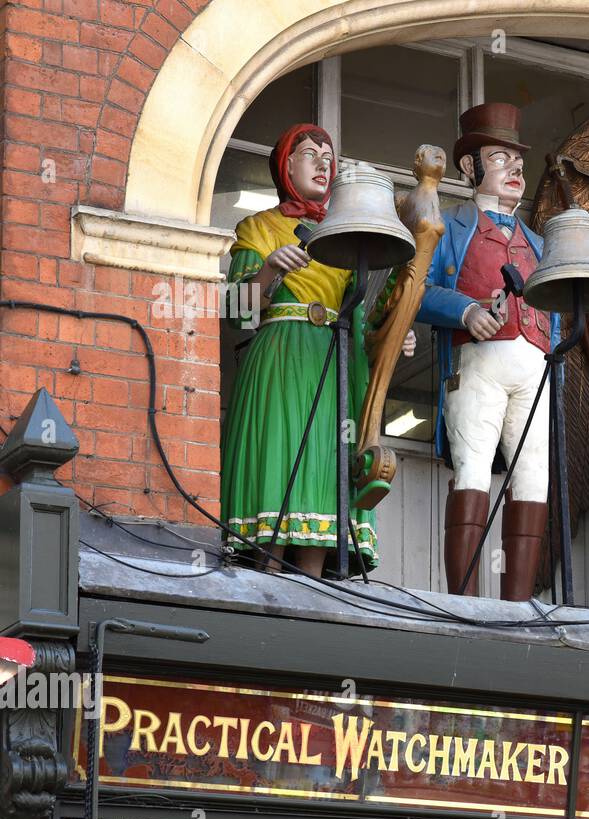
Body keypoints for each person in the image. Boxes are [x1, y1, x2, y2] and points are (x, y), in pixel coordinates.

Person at [221, 123, 400, 576]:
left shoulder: (343, 234)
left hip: (334, 358)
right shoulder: (258, 227)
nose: (323, 163)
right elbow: (239, 315)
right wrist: (266, 273)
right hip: (281, 354)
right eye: (309, 154)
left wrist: (388, 338)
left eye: (328, 156)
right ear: (285, 165)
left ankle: (314, 577)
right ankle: (270, 570)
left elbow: (358, 317)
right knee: (279, 456)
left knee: (326, 459)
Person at [416, 103, 559, 600]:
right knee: (473, 467)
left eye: (518, 160)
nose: (516, 169)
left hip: (533, 370)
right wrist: (465, 311)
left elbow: (556, 313)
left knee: (533, 476)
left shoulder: (539, 243)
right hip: (477, 366)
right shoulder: (450, 226)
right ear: (469, 168)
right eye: (500, 158)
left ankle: (516, 602)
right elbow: (417, 288)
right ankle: (464, 598)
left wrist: (553, 350)